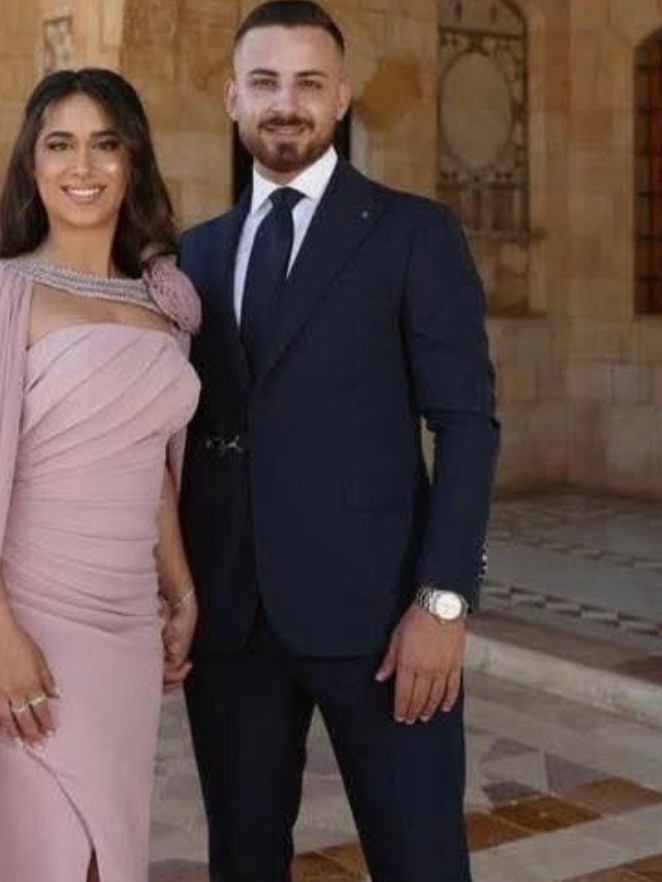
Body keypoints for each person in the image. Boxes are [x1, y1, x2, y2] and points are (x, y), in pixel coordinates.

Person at [178, 3, 499, 881]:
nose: (287, 104)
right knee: (243, 864)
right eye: (266, 83)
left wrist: (443, 602)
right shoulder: (194, 256)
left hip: (385, 624)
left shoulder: (412, 233)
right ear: (233, 97)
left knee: (421, 863)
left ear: (343, 97)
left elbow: (466, 423)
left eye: (309, 83)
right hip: (232, 628)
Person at [0, 68, 202, 882]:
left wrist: (181, 592)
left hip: (125, 631)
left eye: (105, 144)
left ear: (133, 161)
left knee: (106, 858)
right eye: (59, 145)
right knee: (39, 856)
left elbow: (152, 462)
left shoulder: (164, 305)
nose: (83, 166)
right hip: (29, 617)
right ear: (31, 164)